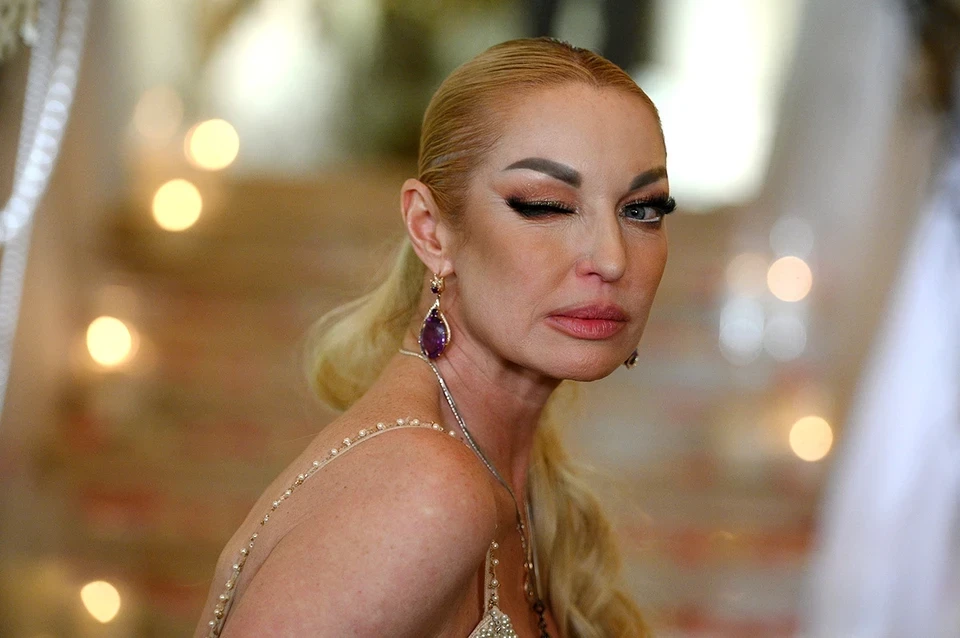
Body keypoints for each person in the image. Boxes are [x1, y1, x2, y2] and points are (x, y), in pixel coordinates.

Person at [196, 37, 673, 638]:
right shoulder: (424, 492)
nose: (611, 258)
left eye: (642, 209)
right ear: (429, 229)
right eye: (547, 205)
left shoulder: (514, 480)